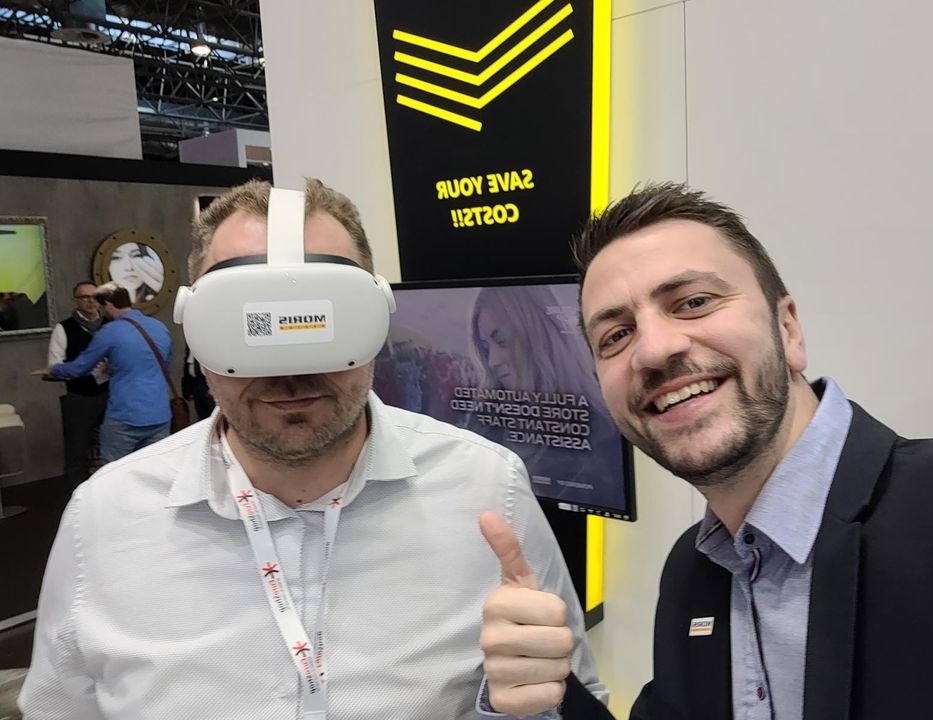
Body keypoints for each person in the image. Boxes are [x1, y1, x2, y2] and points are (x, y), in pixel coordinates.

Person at [19, 179, 606, 720]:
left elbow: (573, 697)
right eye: (250, 325)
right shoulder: (105, 516)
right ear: (196, 324)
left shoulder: (488, 486)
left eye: (320, 323)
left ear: (376, 315)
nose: (290, 372)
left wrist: (522, 708)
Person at [478, 182, 933, 720]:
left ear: (789, 329)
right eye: (616, 336)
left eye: (694, 302)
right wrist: (547, 691)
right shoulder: (693, 571)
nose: (653, 350)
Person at [468, 285, 623, 506]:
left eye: (502, 341)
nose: (493, 361)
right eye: (485, 347)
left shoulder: (600, 433)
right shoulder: (483, 419)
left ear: (537, 336)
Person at [32, 282, 172, 462]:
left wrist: (53, 369)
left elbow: (80, 366)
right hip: (160, 413)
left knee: (114, 472)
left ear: (109, 304)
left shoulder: (111, 330)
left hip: (126, 415)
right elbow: (164, 368)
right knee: (155, 468)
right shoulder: (159, 326)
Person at [45, 281, 109, 488]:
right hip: (80, 398)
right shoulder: (64, 328)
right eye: (84, 297)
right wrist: (83, 367)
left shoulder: (110, 325)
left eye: (94, 296)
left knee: (112, 447)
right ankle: (77, 496)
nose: (90, 301)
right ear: (75, 301)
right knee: (77, 450)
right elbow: (54, 366)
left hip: (112, 395)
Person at [181, 344, 215, 420]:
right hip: (196, 384)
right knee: (201, 415)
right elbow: (187, 365)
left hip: (208, 385)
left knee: (212, 417)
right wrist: (187, 388)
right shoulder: (190, 344)